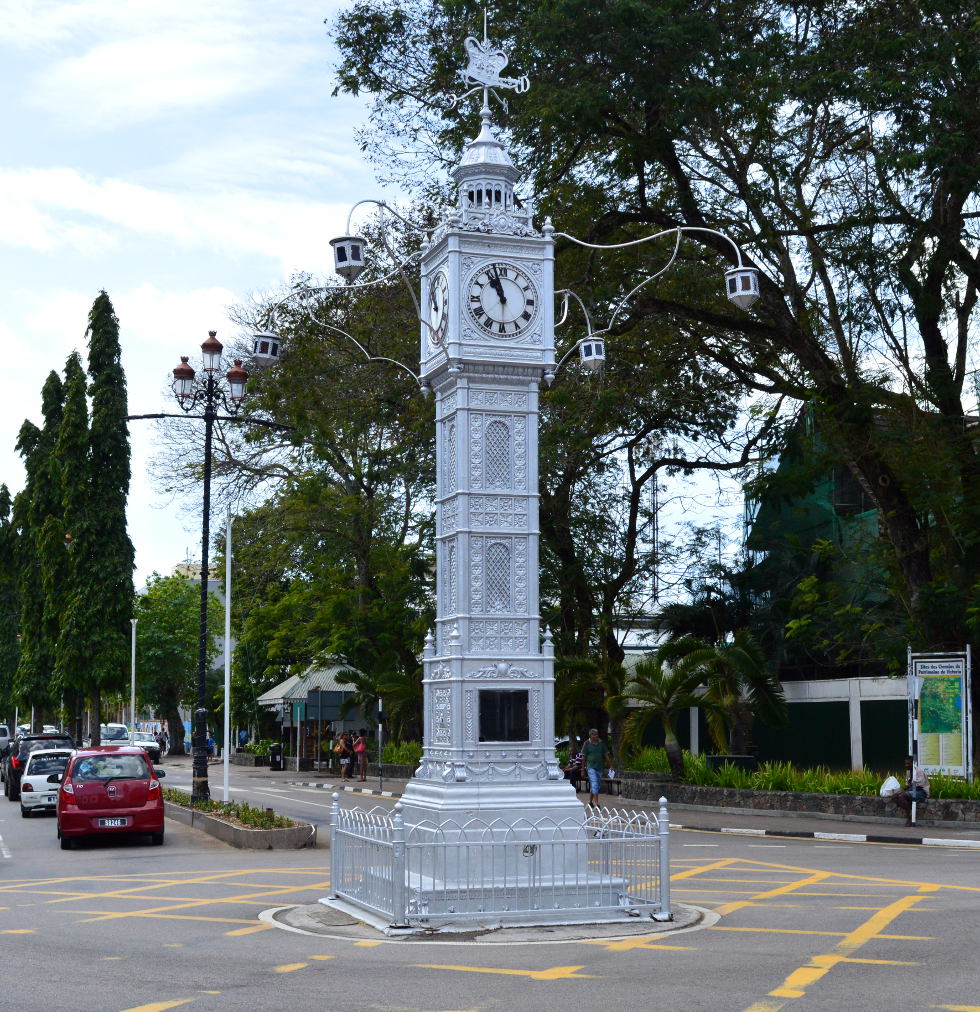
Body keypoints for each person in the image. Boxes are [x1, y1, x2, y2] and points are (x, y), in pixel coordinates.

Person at [890, 755, 930, 826]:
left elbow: (918, 786)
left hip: (921, 792)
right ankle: (909, 811)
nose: (906, 765)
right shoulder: (909, 772)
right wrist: (899, 792)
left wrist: (903, 792)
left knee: (903, 796)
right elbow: (908, 785)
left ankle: (909, 818)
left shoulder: (919, 771)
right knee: (894, 797)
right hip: (912, 791)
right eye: (905, 763)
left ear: (913, 763)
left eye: (908, 764)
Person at [581, 728, 613, 807]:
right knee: (595, 784)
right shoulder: (586, 744)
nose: (596, 736)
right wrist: (582, 769)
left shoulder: (601, 743)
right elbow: (584, 757)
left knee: (596, 785)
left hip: (599, 767)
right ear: (590, 735)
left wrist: (611, 765)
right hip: (590, 767)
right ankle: (597, 803)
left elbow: (606, 755)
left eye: (597, 734)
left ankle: (590, 801)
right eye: (594, 734)